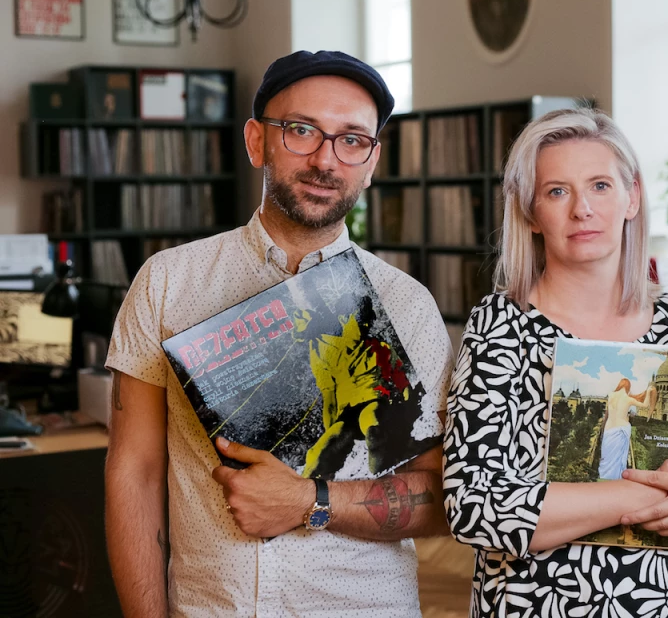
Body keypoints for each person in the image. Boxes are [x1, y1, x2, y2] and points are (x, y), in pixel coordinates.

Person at [105, 50, 452, 617]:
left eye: (352, 140)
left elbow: (440, 497)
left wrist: (310, 501)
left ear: (371, 161)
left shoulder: (407, 305)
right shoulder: (168, 282)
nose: (325, 160)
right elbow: (134, 473)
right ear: (256, 141)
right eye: (301, 130)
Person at [442, 108, 668, 616]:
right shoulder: (500, 326)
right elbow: (475, 508)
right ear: (530, 213)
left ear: (632, 197)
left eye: (601, 186)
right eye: (557, 191)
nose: (582, 209)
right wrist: (653, 497)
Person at [597, 378, 646, 479]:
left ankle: (605, 476)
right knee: (618, 456)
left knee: (607, 455)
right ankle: (617, 477)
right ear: (628, 387)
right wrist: (649, 392)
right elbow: (645, 405)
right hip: (621, 430)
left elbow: (607, 414)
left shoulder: (611, 395)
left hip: (609, 430)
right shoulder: (628, 398)